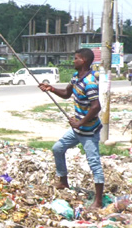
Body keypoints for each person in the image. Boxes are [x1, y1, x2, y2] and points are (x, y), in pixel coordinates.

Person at [38, 48, 104, 209]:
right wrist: (51, 89)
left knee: (94, 163)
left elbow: (96, 107)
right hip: (77, 129)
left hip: (88, 131)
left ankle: (98, 201)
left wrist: (80, 123)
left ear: (83, 61)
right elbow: (67, 93)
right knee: (57, 148)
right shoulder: (76, 78)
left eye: (75, 58)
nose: (73, 61)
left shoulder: (89, 83)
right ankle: (63, 181)